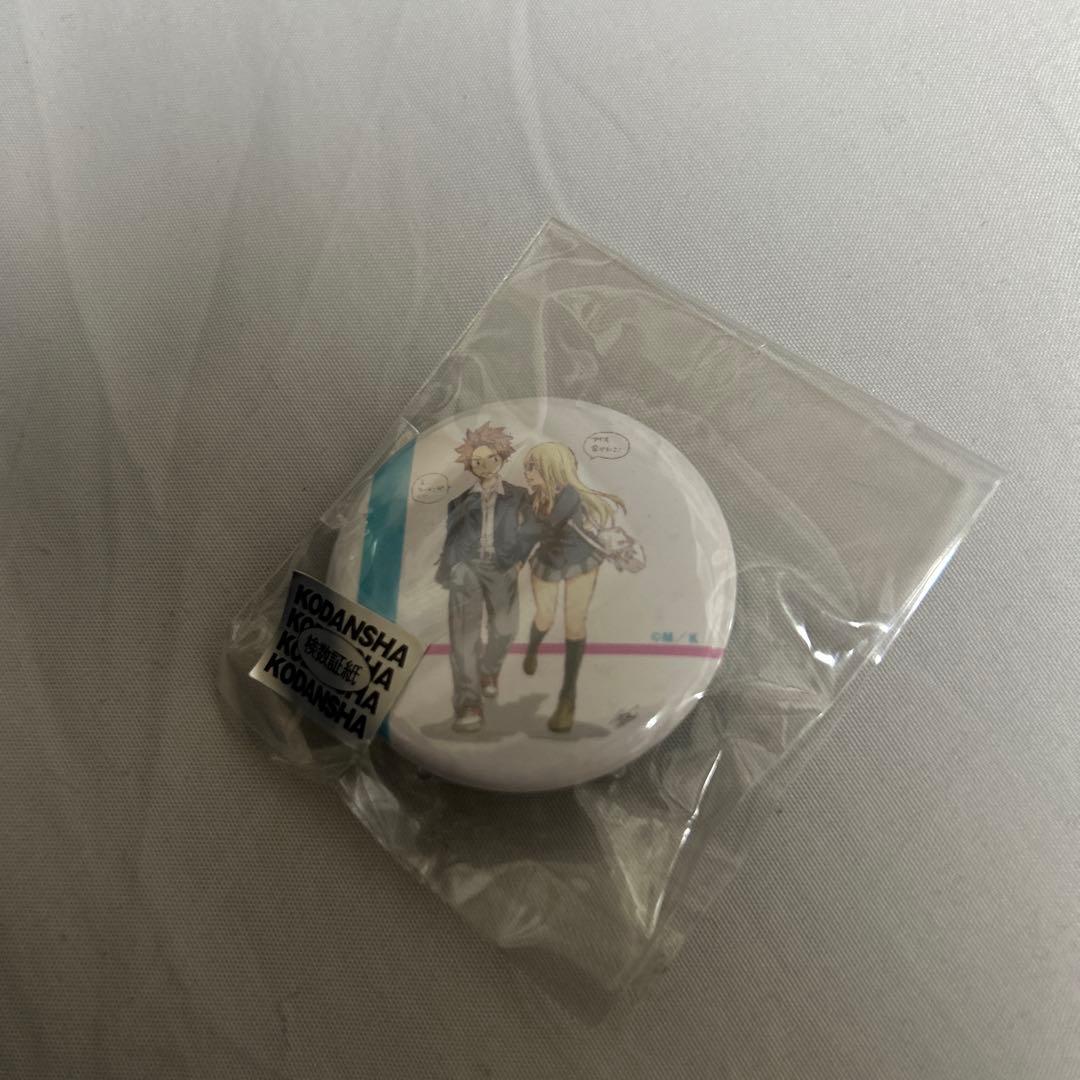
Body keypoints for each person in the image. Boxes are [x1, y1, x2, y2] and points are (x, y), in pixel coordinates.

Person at [520, 442, 627, 732]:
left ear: (551, 468)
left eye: (533, 467)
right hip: (547, 561)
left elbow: (540, 528)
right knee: (544, 617)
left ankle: (568, 697)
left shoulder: (569, 496)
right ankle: (532, 649)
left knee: (574, 624)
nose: (527, 472)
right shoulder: (533, 499)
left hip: (580, 559)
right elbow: (528, 533)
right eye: (527, 466)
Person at [436, 423, 530, 733]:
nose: (485, 465)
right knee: (464, 638)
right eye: (477, 461)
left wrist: (519, 561)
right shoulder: (459, 502)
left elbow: (530, 530)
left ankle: (489, 670)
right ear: (469, 465)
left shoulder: (519, 496)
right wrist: (453, 568)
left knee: (505, 628)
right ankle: (468, 703)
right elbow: (452, 538)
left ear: (502, 457)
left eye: (492, 458)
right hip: (466, 568)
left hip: (502, 567)